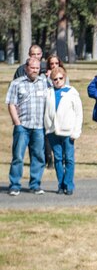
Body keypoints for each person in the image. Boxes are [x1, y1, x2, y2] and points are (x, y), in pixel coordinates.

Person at [6, 57, 49, 195]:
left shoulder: (44, 83)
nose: (35, 70)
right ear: (26, 68)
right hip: (22, 126)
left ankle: (35, 184)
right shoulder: (17, 83)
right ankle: (14, 185)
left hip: (39, 126)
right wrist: (17, 123)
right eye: (32, 68)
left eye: (37, 68)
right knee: (18, 156)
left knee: (38, 156)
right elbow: (11, 104)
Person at [44, 67, 83, 195]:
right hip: (52, 131)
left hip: (68, 131)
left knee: (69, 158)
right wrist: (47, 128)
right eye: (55, 79)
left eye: (60, 78)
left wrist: (76, 131)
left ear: (64, 78)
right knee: (58, 158)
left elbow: (79, 113)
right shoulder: (48, 92)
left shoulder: (72, 92)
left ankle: (69, 184)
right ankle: (60, 184)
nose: (58, 81)